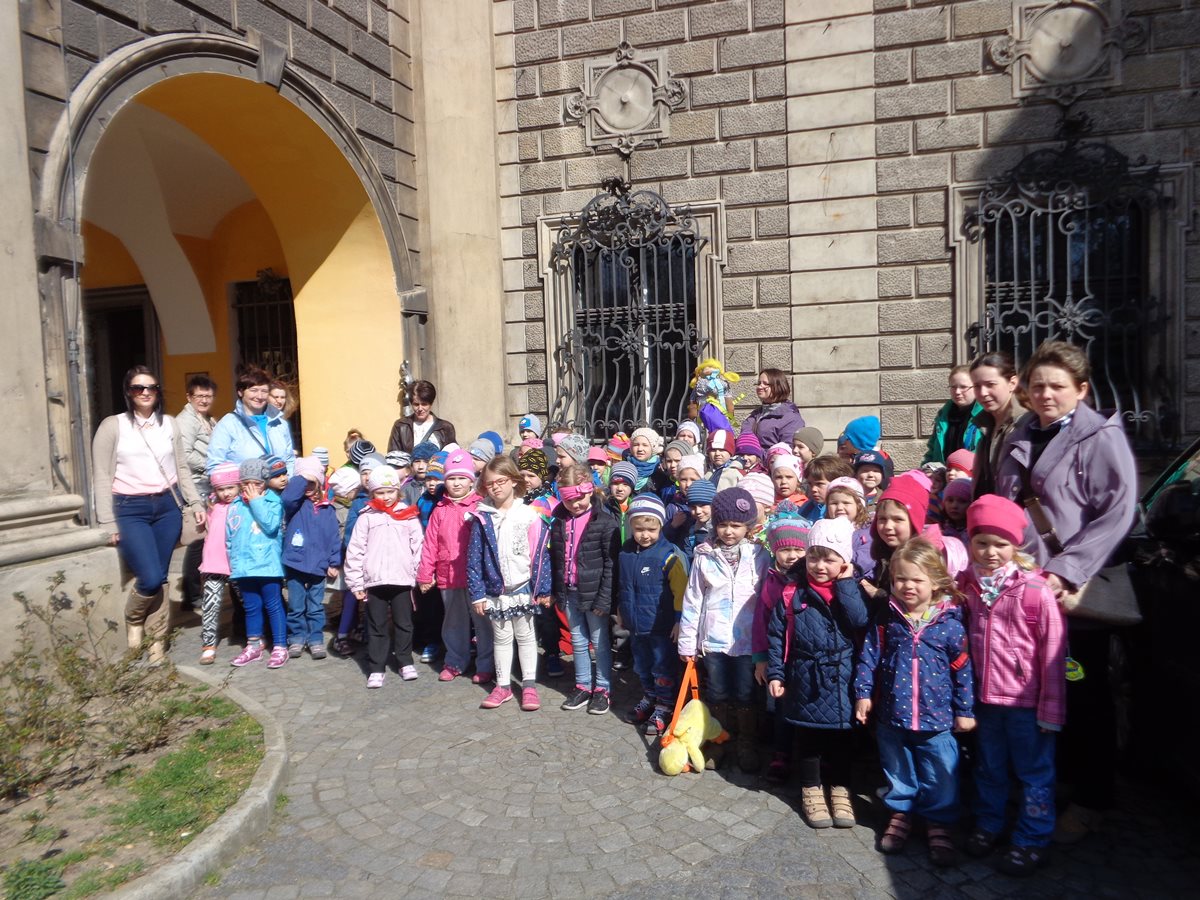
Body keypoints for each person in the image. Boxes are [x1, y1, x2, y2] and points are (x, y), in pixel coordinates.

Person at [991, 341, 1138, 844]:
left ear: (1082, 389)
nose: (1046, 394)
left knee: (1084, 693)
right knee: (1043, 694)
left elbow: (1116, 512)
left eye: (1057, 386)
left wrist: (1067, 570)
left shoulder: (1100, 437)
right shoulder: (1020, 432)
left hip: (1073, 592)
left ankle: (1093, 799)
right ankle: (1057, 782)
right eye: (1038, 385)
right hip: (1025, 587)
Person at [957, 494, 1066, 876]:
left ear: (1015, 545)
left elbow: (1053, 654)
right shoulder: (968, 585)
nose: (990, 552)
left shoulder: (1035, 591)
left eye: (1000, 544)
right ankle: (989, 823)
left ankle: (1032, 838)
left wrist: (1051, 710)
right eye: (981, 542)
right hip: (985, 701)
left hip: (1026, 704)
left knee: (1034, 774)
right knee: (989, 768)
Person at [854, 538, 975, 866]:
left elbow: (963, 669)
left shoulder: (950, 623)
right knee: (898, 770)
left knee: (941, 774)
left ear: (935, 581)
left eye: (916, 580)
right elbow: (869, 656)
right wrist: (863, 694)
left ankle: (938, 821)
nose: (907, 586)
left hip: (937, 720)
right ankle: (901, 812)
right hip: (892, 715)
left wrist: (965, 710)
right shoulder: (887, 617)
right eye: (900, 579)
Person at [92, 365, 205, 663]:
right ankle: (133, 619)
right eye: (138, 388)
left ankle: (156, 643)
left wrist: (195, 503)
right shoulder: (113, 426)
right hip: (130, 509)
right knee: (150, 576)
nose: (145, 393)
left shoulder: (169, 424)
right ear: (128, 392)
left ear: (157, 392)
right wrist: (106, 521)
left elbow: (182, 468)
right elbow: (101, 476)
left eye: (151, 387)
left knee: (162, 576)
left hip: (167, 507)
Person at [766, 517, 867, 828]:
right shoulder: (793, 592)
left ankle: (840, 789)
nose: (820, 566)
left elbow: (859, 620)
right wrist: (776, 673)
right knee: (808, 739)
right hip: (805, 676)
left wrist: (846, 583)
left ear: (844, 561)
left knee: (841, 740)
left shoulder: (849, 589)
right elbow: (776, 635)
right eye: (814, 557)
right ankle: (811, 789)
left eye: (829, 559)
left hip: (842, 677)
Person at [678, 486, 768, 773]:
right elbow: (693, 600)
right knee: (716, 691)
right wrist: (688, 642)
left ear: (748, 526)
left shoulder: (759, 556)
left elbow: (765, 601)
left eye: (736, 525)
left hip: (746, 642)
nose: (729, 531)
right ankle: (719, 738)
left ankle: (746, 742)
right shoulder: (705, 556)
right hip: (714, 640)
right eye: (723, 524)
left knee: (744, 693)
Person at [468, 456, 552, 711]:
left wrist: (543, 588)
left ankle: (529, 686)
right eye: (490, 483)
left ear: (514, 481)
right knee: (502, 638)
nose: (495, 487)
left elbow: (540, 554)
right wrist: (477, 594)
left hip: (523, 587)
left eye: (501, 481)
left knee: (526, 636)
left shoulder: (528, 515)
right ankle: (503, 685)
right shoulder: (482, 517)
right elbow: (474, 558)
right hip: (496, 590)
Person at [417, 449, 493, 684]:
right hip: (448, 575)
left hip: (477, 578)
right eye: (451, 478)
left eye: (462, 478)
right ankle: (455, 661)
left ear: (471, 480)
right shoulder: (440, 509)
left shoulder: (480, 506)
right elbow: (430, 543)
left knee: (483, 622)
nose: (457, 483)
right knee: (453, 621)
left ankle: (486, 663)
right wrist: (425, 573)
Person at [344, 465, 424, 688]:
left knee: (404, 623)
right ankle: (376, 667)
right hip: (375, 580)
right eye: (380, 492)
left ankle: (405, 661)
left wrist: (418, 574)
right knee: (376, 625)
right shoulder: (366, 517)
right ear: (372, 493)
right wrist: (356, 582)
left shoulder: (408, 515)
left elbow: (418, 546)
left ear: (398, 491)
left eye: (390, 491)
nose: (386, 496)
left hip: (401, 579)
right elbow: (355, 550)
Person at [617, 494, 688, 737]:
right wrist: (621, 610)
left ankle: (664, 705)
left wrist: (678, 620)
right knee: (642, 665)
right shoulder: (626, 552)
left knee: (662, 667)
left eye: (651, 529)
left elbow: (681, 592)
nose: (644, 535)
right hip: (636, 625)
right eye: (639, 529)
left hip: (661, 625)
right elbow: (623, 585)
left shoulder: (669, 555)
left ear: (660, 526)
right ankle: (649, 697)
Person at [551, 464, 620, 715]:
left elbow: (611, 564)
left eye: (578, 499)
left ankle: (602, 688)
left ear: (590, 491)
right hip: (569, 590)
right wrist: (556, 590)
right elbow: (556, 558)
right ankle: (582, 685)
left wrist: (604, 600)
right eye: (568, 500)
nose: (575, 504)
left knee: (600, 642)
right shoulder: (559, 519)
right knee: (578, 640)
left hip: (594, 592)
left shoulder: (605, 522)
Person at [751, 505, 810, 783]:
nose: (792, 555)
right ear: (775, 551)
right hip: (778, 657)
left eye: (798, 549)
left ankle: (806, 754)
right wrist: (761, 658)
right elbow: (760, 622)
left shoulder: (811, 581)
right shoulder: (771, 582)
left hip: (805, 655)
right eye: (785, 550)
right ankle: (781, 753)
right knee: (780, 706)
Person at [227, 458, 288, 669]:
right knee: (251, 607)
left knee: (273, 605)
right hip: (244, 567)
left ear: (265, 483)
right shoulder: (235, 505)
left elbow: (270, 525)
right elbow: (230, 537)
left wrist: (256, 501)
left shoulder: (272, 501)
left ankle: (280, 645)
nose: (251, 488)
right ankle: (254, 644)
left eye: (257, 483)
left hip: (267, 565)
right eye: (246, 484)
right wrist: (232, 562)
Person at [281, 456, 341, 660]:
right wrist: (302, 477)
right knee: (296, 606)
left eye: (311, 482)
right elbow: (288, 497)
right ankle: (297, 638)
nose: (306, 486)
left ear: (319, 483)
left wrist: (334, 562)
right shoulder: (295, 505)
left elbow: (334, 537)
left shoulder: (328, 509)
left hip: (319, 565)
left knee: (315, 607)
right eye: (302, 482)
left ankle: (315, 639)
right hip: (295, 563)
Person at [176, 374, 218, 612]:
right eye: (199, 396)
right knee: (197, 539)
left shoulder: (208, 419)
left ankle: (199, 589)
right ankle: (191, 594)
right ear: (189, 397)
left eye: (208, 396)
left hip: (208, 483)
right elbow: (184, 454)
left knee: (206, 539)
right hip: (196, 484)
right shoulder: (186, 421)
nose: (204, 400)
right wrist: (211, 464)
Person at [207, 366, 295, 475]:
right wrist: (243, 483)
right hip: (242, 485)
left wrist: (288, 481)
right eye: (254, 390)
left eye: (264, 391)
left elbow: (289, 460)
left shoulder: (280, 424)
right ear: (240, 392)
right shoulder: (227, 425)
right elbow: (214, 466)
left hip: (281, 485)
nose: (259, 396)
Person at [197, 462, 241, 665]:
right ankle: (208, 645)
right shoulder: (212, 506)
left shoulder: (243, 505)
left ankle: (255, 636)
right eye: (221, 489)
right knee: (211, 605)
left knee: (247, 602)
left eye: (230, 487)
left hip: (237, 563)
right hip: (214, 563)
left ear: (239, 485)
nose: (226, 493)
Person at [969, 350, 1025, 498]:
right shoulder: (984, 424)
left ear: (1012, 383)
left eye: (990, 384)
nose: (983, 393)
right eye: (976, 386)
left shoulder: (1027, 423)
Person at [923, 365, 982, 465]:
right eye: (953, 387)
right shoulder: (943, 416)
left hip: (972, 473)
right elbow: (932, 449)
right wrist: (927, 467)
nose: (957, 392)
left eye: (963, 387)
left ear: (976, 387)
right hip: (943, 473)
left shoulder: (984, 416)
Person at [740, 368, 807, 447]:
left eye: (765, 384)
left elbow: (788, 449)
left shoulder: (790, 418)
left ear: (778, 386)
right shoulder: (755, 415)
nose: (760, 387)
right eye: (759, 383)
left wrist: (756, 453)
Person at [387, 379, 456, 453]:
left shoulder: (445, 428)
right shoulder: (401, 426)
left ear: (431, 404)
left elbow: (452, 455)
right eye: (416, 404)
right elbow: (393, 456)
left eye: (424, 404)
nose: (420, 408)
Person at [797, 455, 853, 522]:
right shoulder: (808, 508)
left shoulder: (841, 510)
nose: (813, 489)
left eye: (819, 484)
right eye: (810, 484)